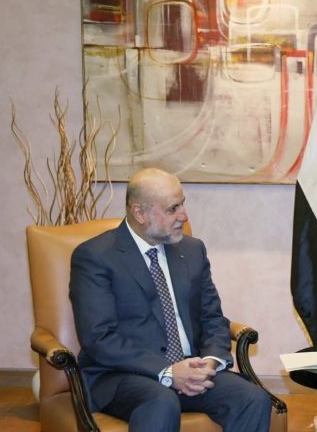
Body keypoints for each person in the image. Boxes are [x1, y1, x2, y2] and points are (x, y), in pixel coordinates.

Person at [69, 168, 272, 431]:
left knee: (252, 399)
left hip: (190, 370)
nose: (184, 216)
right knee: (161, 402)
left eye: (182, 204)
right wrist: (167, 371)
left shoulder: (192, 250)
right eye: (172, 209)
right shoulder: (96, 257)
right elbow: (98, 337)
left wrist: (209, 362)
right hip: (123, 375)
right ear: (139, 213)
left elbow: (212, 317)